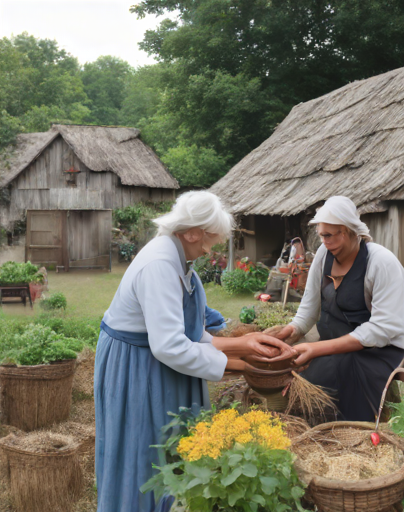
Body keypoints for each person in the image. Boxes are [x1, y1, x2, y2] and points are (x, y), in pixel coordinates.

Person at [94, 191, 295, 512]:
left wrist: (244, 345)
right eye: (210, 240)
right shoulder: (160, 265)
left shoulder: (178, 260)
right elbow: (171, 346)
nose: (209, 248)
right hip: (135, 366)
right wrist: (241, 365)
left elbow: (189, 334)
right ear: (192, 233)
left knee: (171, 439)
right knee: (143, 446)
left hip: (154, 360)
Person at [276, 196, 404, 422]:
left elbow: (382, 329)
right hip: (334, 348)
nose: (324, 241)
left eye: (329, 235)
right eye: (321, 235)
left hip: (375, 353)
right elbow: (308, 310)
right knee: (295, 374)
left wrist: (317, 349)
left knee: (321, 374)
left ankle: (352, 431)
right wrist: (288, 333)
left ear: (348, 231)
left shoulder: (381, 263)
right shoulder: (322, 256)